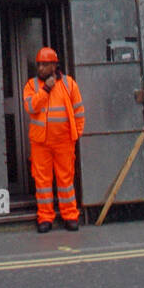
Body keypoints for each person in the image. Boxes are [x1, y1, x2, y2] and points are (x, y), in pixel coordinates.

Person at [22, 47, 85, 233]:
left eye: (45, 64)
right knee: (42, 183)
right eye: (39, 64)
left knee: (65, 180)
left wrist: (76, 135)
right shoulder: (31, 86)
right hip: (40, 143)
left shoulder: (69, 84)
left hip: (64, 142)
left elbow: (79, 111)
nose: (40, 67)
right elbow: (31, 107)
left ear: (54, 65)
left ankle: (70, 216)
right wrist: (46, 89)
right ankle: (45, 217)